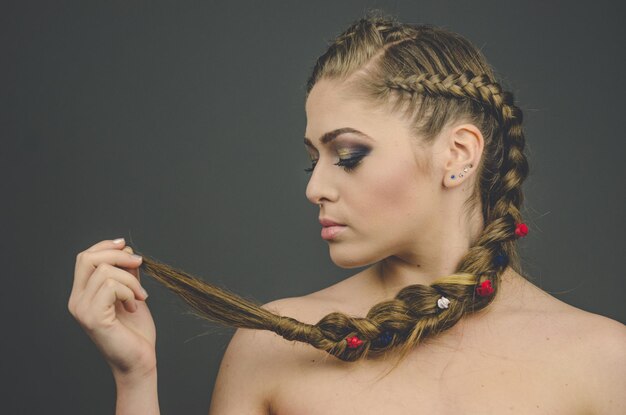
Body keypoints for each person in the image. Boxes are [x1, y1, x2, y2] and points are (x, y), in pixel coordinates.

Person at [68, 11, 625, 414]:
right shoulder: (275, 346)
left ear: (457, 155)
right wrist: (135, 379)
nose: (315, 188)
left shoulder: (604, 360)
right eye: (312, 161)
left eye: (349, 155)